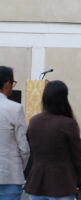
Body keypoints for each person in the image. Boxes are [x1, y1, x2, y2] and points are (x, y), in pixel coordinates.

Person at [25, 81, 81, 200]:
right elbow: (78, 157)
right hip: (62, 183)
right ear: (64, 99)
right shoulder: (68, 123)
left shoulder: (34, 121)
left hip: (37, 181)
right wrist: (75, 178)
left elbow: (30, 150)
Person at [0, 66, 30, 200]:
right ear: (7, 83)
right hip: (9, 175)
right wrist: (18, 167)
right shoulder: (15, 108)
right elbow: (24, 148)